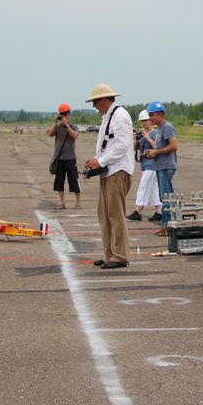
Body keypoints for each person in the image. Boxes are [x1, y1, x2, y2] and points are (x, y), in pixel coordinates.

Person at [83, 83, 134, 269]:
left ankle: (120, 256)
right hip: (108, 171)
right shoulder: (109, 116)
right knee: (104, 215)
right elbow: (109, 146)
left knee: (115, 214)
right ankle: (110, 254)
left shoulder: (120, 116)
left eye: (95, 102)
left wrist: (101, 161)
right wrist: (96, 159)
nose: (94, 106)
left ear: (104, 99)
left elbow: (122, 146)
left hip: (117, 172)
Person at [143, 102, 178, 235]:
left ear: (160, 114)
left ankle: (170, 227)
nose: (150, 118)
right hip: (161, 166)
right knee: (164, 198)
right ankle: (166, 226)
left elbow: (174, 146)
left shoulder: (167, 127)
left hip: (166, 166)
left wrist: (156, 153)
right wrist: (152, 151)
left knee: (167, 198)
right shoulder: (160, 129)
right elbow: (162, 146)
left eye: (152, 115)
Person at [127, 110, 162, 222]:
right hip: (145, 164)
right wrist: (135, 138)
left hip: (153, 165)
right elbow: (133, 148)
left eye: (145, 120)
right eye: (142, 121)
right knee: (152, 190)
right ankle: (159, 211)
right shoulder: (141, 133)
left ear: (151, 120)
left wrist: (147, 138)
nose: (143, 123)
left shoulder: (156, 133)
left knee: (144, 187)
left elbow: (157, 147)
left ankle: (138, 211)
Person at [46, 103, 81, 210]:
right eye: (62, 114)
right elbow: (50, 134)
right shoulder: (57, 126)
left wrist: (67, 126)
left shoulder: (73, 126)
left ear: (69, 114)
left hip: (70, 158)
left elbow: (74, 136)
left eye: (66, 114)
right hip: (59, 159)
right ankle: (62, 203)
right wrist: (55, 122)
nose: (65, 116)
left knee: (74, 181)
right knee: (59, 182)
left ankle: (78, 203)